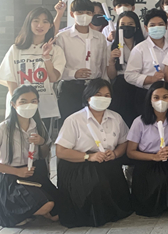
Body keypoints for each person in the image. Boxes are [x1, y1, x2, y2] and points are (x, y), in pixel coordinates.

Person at [55, 79, 132, 227]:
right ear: (88, 97)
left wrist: (115, 154)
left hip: (106, 161)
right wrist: (88, 157)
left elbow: (124, 142)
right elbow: (61, 151)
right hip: (79, 164)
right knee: (96, 186)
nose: (103, 98)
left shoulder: (116, 118)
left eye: (107, 95)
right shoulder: (74, 120)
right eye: (98, 94)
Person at [0, 86, 59, 227]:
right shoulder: (1, 129)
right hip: (12, 178)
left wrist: (42, 142)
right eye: (23, 101)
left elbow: (44, 154)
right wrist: (16, 171)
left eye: (33, 101)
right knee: (47, 205)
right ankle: (17, 212)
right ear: (13, 104)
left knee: (60, 212)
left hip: (34, 175)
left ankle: (32, 211)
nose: (29, 105)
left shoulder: (39, 125)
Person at [0, 7, 65, 121]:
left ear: (50, 25)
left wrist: (46, 57)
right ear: (29, 23)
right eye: (36, 21)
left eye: (45, 21)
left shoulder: (56, 50)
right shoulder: (15, 49)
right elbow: (10, 78)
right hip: (19, 105)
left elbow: (53, 78)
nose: (40, 25)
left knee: (41, 132)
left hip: (44, 104)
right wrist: (17, 102)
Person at [126, 81, 168, 216]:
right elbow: (130, 152)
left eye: (165, 97)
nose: (161, 101)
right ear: (150, 99)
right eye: (156, 97)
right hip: (147, 162)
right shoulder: (139, 122)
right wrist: (154, 156)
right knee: (159, 183)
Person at [54, 0, 109, 120]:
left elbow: (103, 65)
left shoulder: (99, 37)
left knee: (94, 121)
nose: (84, 15)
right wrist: (74, 73)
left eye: (88, 13)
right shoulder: (63, 37)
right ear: (72, 14)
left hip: (94, 88)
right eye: (80, 12)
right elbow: (57, 66)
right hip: (71, 88)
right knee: (69, 122)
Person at [108, 11, 146, 126]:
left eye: (130, 24)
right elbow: (111, 76)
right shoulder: (112, 47)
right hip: (121, 87)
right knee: (122, 121)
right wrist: (111, 60)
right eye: (123, 24)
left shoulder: (143, 46)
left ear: (137, 26)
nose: (126, 27)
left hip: (140, 85)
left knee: (140, 119)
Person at [124, 8, 168, 93]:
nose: (157, 28)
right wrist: (151, 79)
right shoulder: (139, 49)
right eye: (152, 25)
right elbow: (129, 75)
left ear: (166, 25)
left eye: (160, 24)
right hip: (148, 92)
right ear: (146, 28)